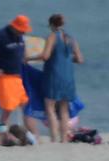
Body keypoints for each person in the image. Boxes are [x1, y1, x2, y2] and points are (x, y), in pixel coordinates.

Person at [27, 14, 84, 142]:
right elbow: (80, 59)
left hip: (54, 75)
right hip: (68, 77)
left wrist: (29, 58)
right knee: (64, 109)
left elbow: (46, 56)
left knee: (50, 107)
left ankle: (54, 138)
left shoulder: (52, 36)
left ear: (51, 25)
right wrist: (67, 59)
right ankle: (63, 139)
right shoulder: (71, 38)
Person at [0, 15, 32, 127]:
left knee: (25, 104)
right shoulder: (0, 35)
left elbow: (21, 50)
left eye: (24, 31)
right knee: (8, 107)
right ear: (14, 27)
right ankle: (2, 129)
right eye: (21, 31)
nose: (23, 33)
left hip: (18, 76)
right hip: (4, 76)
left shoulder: (19, 37)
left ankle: (29, 132)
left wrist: (24, 59)